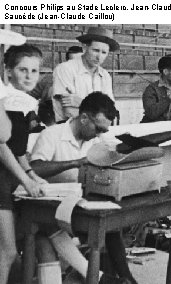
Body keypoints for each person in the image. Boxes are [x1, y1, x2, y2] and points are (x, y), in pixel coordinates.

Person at [30, 92, 137, 284]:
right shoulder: (52, 135)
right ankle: (101, 278)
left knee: (111, 226)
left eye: (104, 131)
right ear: (84, 118)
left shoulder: (96, 142)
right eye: (98, 128)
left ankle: (125, 278)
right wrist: (75, 162)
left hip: (78, 208)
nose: (100, 134)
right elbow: (35, 168)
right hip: (48, 209)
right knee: (51, 230)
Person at [0, 43, 46, 284]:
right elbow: (2, 147)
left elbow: (18, 150)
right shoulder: (5, 102)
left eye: (34, 71)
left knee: (9, 252)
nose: (29, 76)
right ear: (8, 71)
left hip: (7, 178)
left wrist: (31, 173)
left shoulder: (24, 102)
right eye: (22, 70)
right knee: (6, 252)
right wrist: (26, 181)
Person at [52, 27, 119, 122]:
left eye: (104, 52)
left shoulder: (105, 76)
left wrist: (81, 102)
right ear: (85, 47)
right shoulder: (65, 69)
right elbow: (69, 112)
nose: (99, 57)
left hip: (96, 132)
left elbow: (110, 111)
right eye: (95, 50)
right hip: (68, 131)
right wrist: (100, 109)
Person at [141, 55, 171, 122]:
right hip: (152, 129)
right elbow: (151, 114)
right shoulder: (151, 89)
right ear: (165, 72)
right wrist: (168, 99)